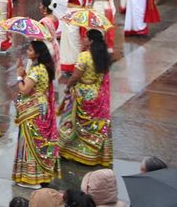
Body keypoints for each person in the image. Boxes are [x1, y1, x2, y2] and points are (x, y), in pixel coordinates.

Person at [60, 28, 113, 166]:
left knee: (72, 122)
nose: (83, 39)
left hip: (82, 93)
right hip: (96, 92)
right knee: (92, 126)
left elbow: (76, 76)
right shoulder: (103, 56)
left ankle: (69, 150)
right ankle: (91, 154)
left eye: (85, 37)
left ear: (90, 41)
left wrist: (68, 87)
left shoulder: (84, 56)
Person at [12, 40, 60, 187]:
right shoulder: (44, 68)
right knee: (37, 141)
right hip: (41, 106)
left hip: (33, 109)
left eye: (30, 51)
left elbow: (25, 89)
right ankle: (39, 175)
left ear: (38, 54)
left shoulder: (37, 69)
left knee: (29, 141)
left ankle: (31, 179)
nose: (28, 52)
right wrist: (23, 71)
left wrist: (19, 76)